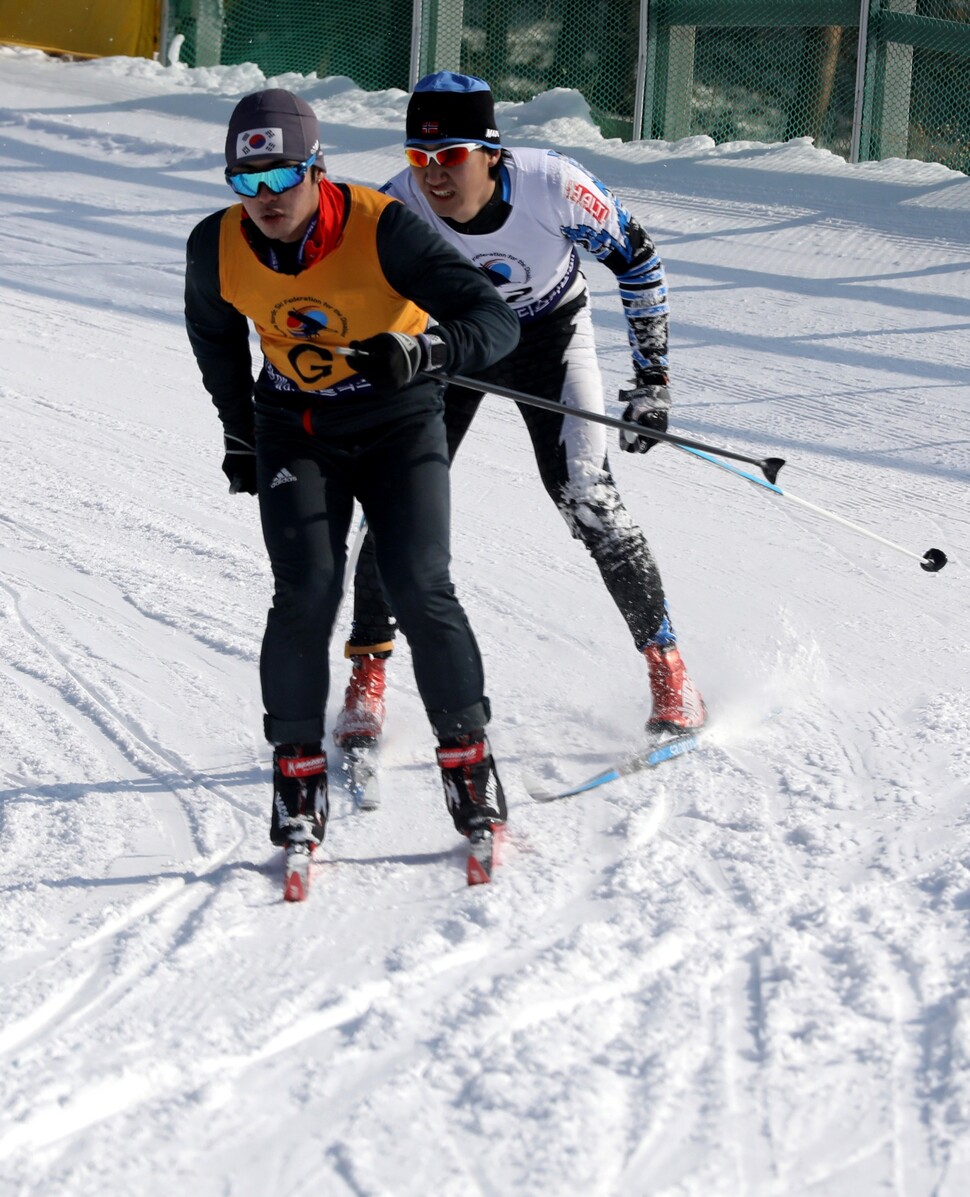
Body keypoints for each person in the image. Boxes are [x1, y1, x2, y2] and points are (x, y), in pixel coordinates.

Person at [184, 88, 520, 895]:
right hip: (296, 427)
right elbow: (215, 338)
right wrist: (238, 432)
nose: (264, 200)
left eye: (281, 178)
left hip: (399, 420)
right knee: (305, 592)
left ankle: (470, 770)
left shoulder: (382, 227)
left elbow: (493, 320)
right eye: (246, 182)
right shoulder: (216, 244)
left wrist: (426, 351)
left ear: (317, 168)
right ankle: (297, 779)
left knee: (419, 585)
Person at [334, 72, 706, 755]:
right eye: (421, 158)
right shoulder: (396, 207)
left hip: (548, 338)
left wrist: (652, 379)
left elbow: (638, 259)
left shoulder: (552, 184)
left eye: (451, 157)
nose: (435, 176)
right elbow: (358, 304)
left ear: (492, 154)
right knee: (393, 502)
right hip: (454, 344)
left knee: (587, 496)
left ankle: (668, 668)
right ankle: (368, 674)